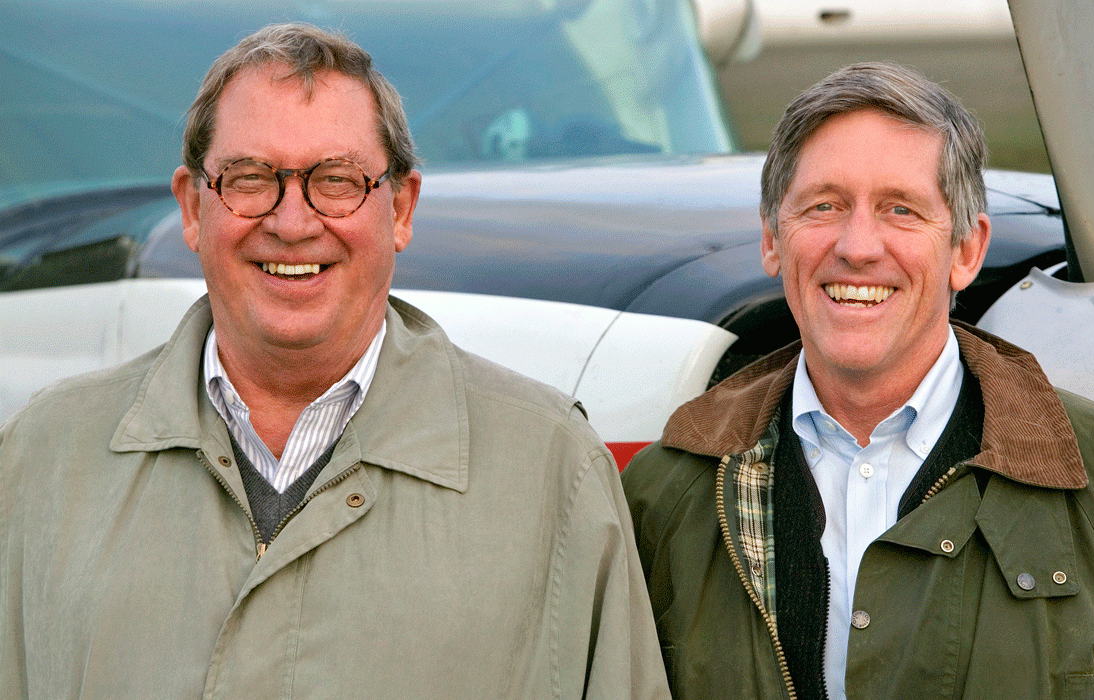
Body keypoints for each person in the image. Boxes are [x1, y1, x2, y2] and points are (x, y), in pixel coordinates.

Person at [0, 23, 669, 699]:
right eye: (250, 178)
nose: (292, 222)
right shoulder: (42, 459)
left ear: (401, 208)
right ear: (192, 208)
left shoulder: (554, 468)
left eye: (337, 180)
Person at [621, 62, 1094, 699]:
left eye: (901, 210)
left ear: (967, 252)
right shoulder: (665, 496)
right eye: (823, 206)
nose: (859, 246)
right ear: (772, 240)